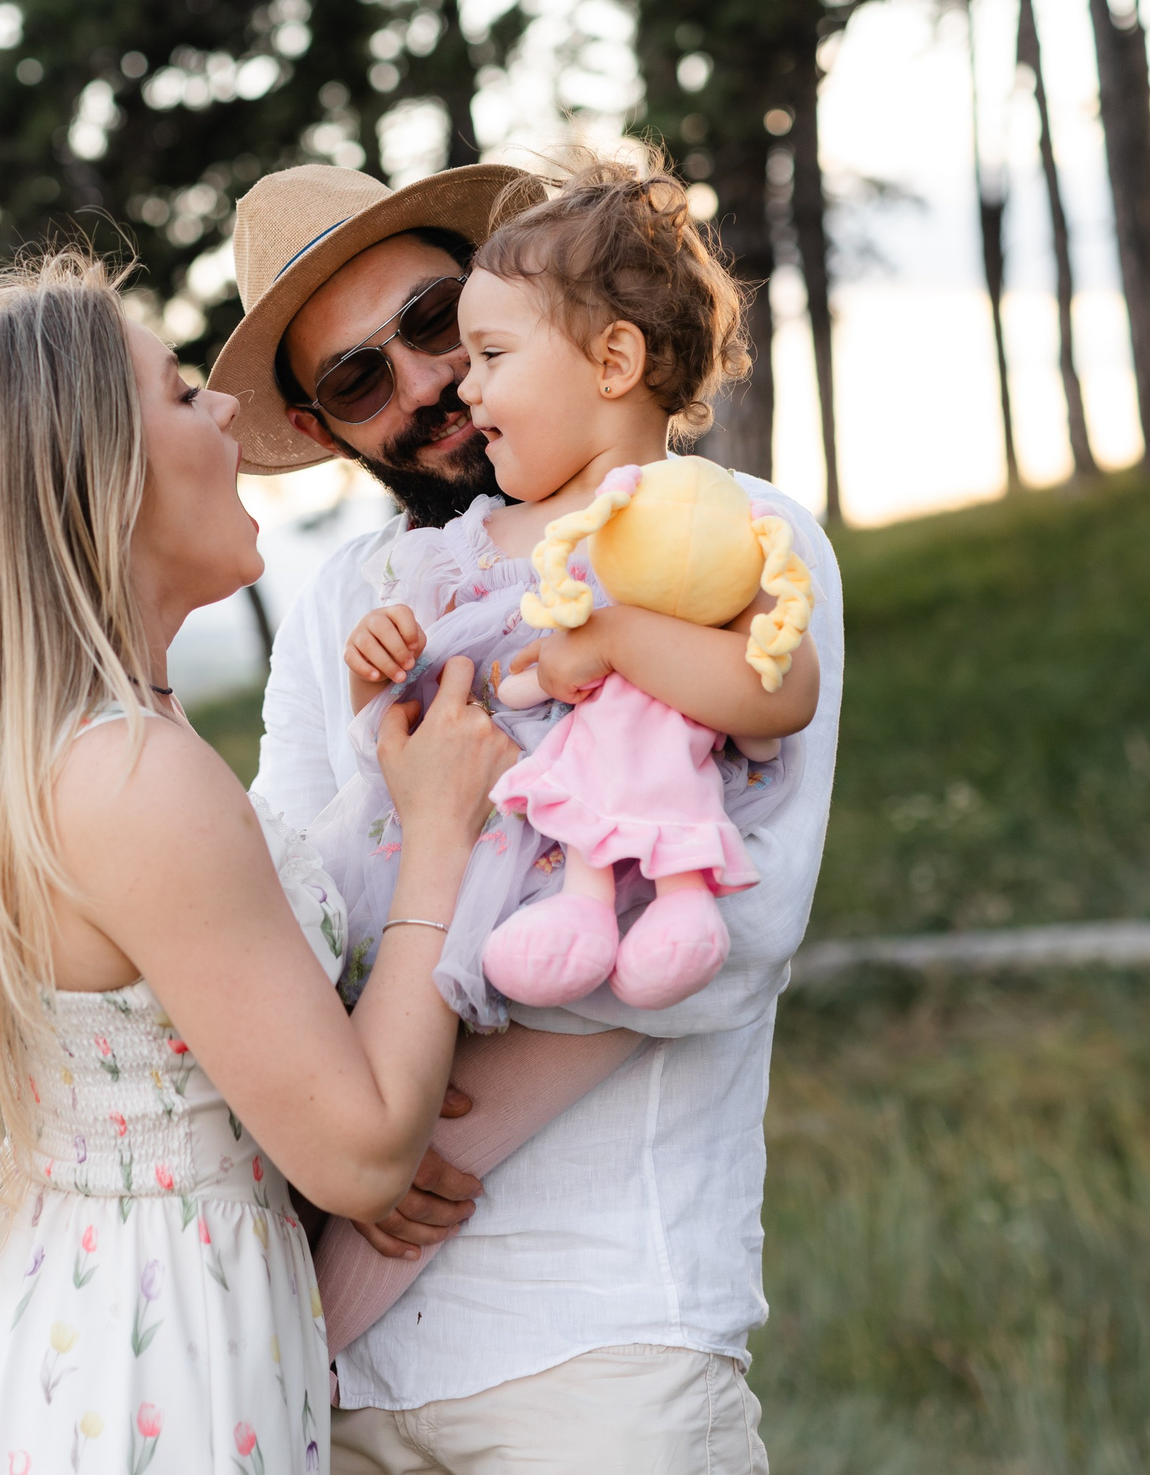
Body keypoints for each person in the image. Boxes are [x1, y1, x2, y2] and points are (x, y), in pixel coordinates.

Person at [0, 252, 523, 1475]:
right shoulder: (134, 776)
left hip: (62, 1337)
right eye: (183, 392)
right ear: (104, 477)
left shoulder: (67, 749)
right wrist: (439, 837)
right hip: (144, 1367)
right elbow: (356, 1150)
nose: (230, 412)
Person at [208, 160, 846, 1474]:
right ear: (320, 426)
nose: (432, 382)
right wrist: (346, 1132)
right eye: (356, 377)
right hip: (346, 1380)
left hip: (606, 1341)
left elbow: (736, 932)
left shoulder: (724, 541)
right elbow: (285, 923)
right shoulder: (352, 603)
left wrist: (405, 1109)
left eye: (442, 322)